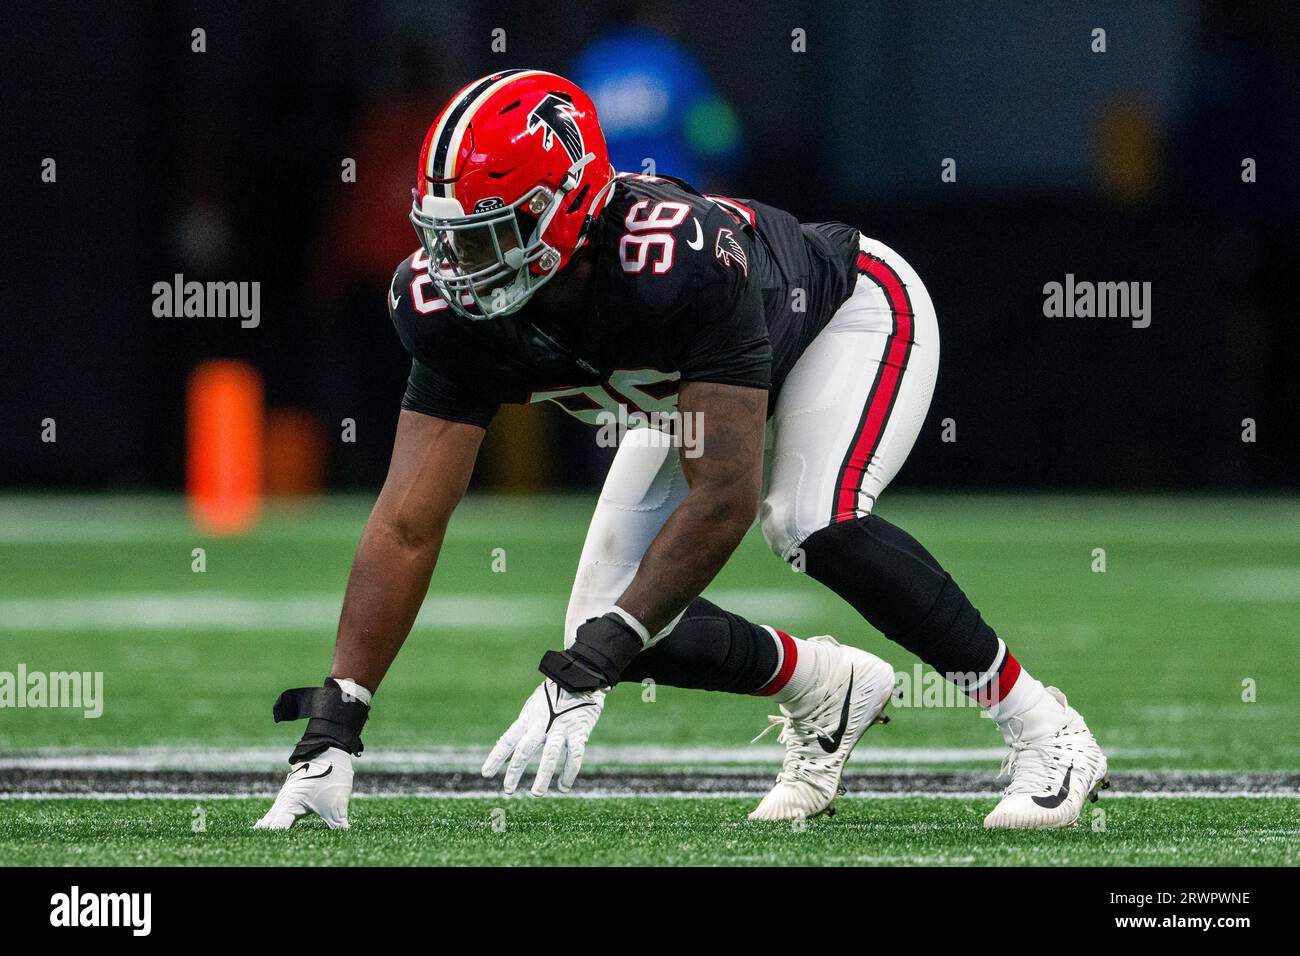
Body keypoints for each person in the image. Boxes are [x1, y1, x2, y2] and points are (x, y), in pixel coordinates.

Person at [254, 70, 1107, 832]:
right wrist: (339, 721)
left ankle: (1046, 729)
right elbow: (408, 522)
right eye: (448, 236)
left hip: (842, 318)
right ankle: (827, 690)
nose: (457, 266)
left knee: (808, 521)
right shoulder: (448, 312)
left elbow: (723, 499)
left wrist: (592, 666)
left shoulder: (672, 260)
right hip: (684, 395)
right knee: (613, 625)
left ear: (568, 206)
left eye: (486, 234)